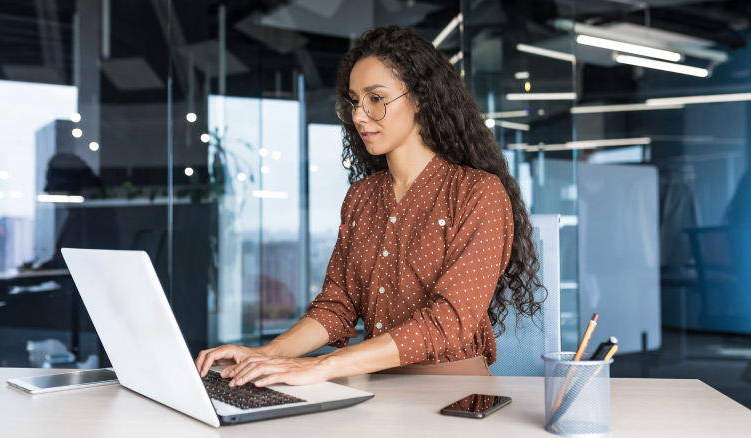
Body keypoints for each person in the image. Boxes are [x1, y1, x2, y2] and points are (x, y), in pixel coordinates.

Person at [196, 25, 544, 387]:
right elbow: (337, 306)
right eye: (354, 101)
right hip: (376, 386)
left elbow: (450, 322)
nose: (360, 116)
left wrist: (325, 365)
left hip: (453, 390)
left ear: (421, 97)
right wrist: (269, 354)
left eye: (376, 98)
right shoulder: (361, 197)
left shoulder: (477, 193)